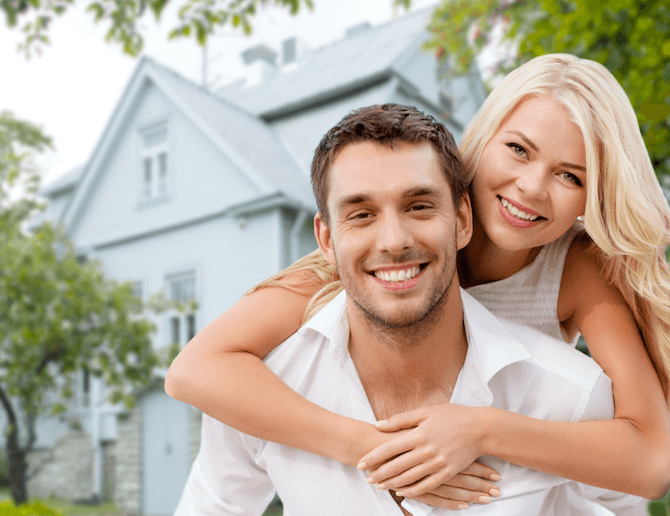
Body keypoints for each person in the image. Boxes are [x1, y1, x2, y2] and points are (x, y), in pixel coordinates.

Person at [166, 53, 670, 509]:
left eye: (571, 177)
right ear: (483, 140)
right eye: (518, 149)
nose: (532, 187)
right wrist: (375, 449)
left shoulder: (576, 268)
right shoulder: (364, 264)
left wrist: (482, 430)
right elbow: (194, 369)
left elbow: (650, 459)